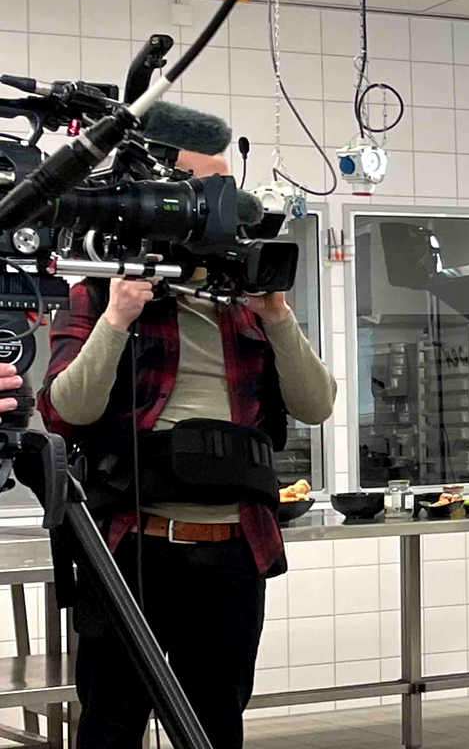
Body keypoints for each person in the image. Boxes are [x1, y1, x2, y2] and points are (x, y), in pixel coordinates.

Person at [39, 154, 336, 749]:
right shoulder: (100, 292)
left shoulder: (246, 306)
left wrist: (277, 317)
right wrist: (119, 316)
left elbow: (316, 405)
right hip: (133, 548)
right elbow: (65, 409)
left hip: (234, 553)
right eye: (200, 187)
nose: (216, 201)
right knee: (111, 723)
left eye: (224, 189)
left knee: (215, 726)